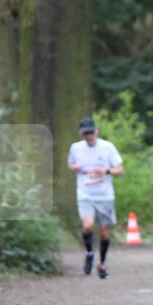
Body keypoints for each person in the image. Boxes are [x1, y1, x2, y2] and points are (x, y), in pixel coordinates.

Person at [67, 117, 124, 279]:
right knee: (87, 226)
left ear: (96, 131)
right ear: (81, 134)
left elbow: (120, 170)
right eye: (86, 133)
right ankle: (89, 252)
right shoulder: (76, 148)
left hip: (105, 196)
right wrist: (75, 168)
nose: (89, 136)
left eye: (91, 132)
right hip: (85, 194)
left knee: (104, 231)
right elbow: (70, 165)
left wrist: (105, 171)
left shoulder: (107, 147)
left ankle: (102, 263)